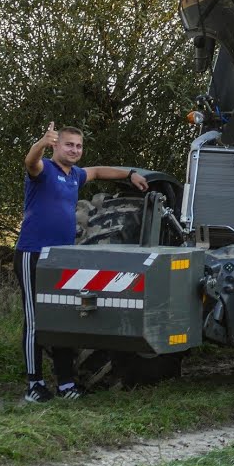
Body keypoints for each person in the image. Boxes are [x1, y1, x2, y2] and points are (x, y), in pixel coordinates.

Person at [14, 121, 148, 403]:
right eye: (68, 145)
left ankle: (65, 383)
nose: (74, 150)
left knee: (63, 317)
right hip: (32, 253)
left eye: (78, 146)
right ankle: (34, 384)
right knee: (36, 319)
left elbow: (98, 171)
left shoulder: (75, 175)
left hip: (61, 257)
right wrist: (41, 142)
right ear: (56, 145)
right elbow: (30, 160)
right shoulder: (43, 170)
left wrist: (132, 173)